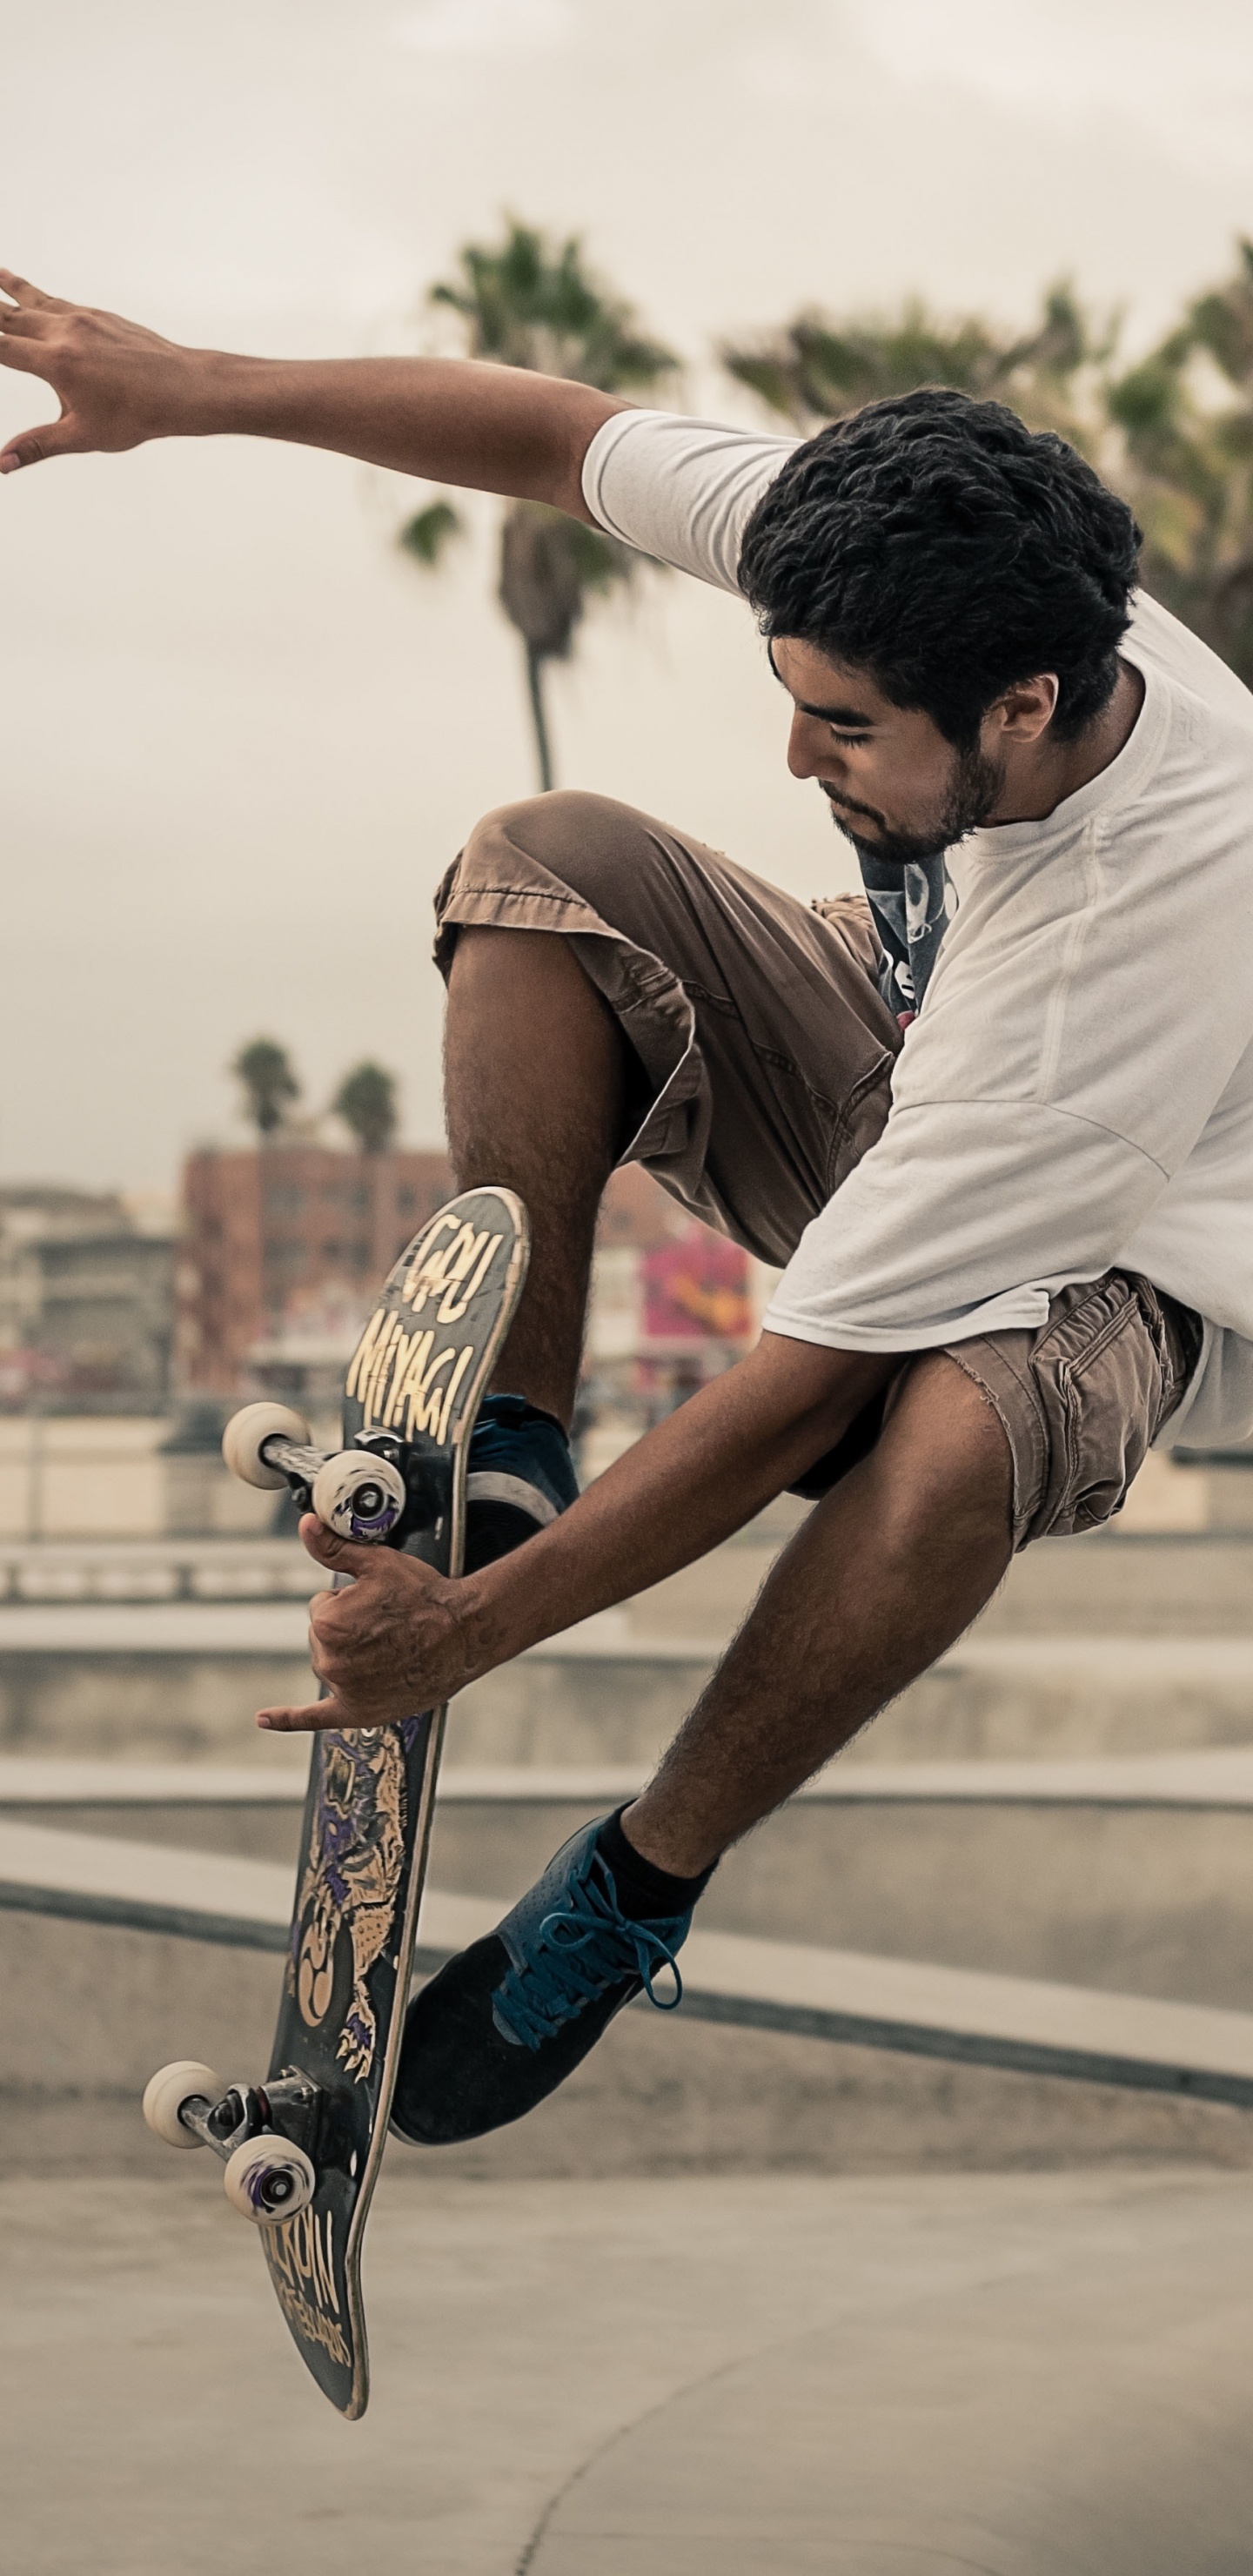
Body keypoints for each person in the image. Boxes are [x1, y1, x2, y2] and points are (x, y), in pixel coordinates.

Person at [3, 271, 1249, 2148]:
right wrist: (193, 386)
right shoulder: (916, 559)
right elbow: (552, 433)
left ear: (1025, 704)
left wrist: (474, 1629)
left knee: (954, 1427)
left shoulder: (1115, 964)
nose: (797, 760)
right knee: (543, 864)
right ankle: (515, 1437)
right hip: (913, 1036)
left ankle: (637, 1880)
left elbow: (804, 1388)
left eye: (847, 731)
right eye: (792, 701)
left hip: (1124, 1257)